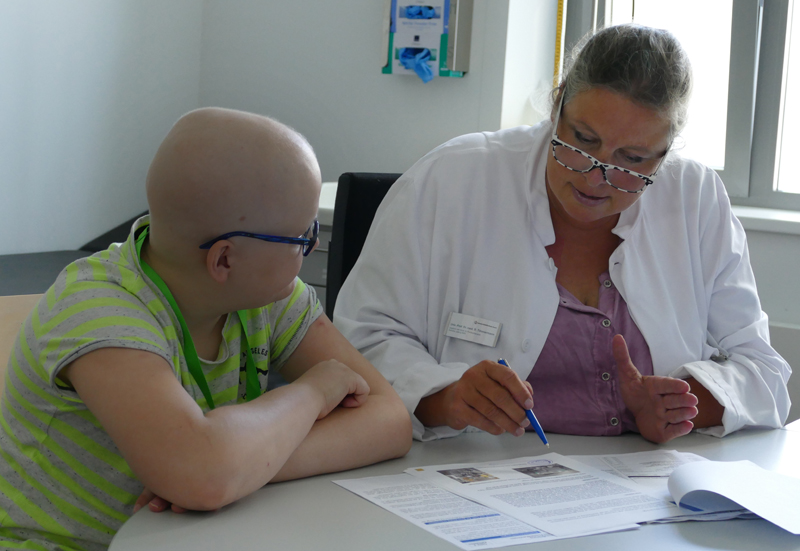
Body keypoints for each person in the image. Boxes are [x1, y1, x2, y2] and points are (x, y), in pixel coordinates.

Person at [333, 24, 791, 443]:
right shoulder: (451, 178)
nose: (596, 179)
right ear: (557, 105)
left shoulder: (695, 197)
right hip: (469, 473)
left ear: (666, 153)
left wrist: (680, 406)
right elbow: (362, 338)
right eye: (583, 141)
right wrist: (444, 396)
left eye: (632, 160)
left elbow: (763, 371)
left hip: (641, 490)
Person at [0, 108, 412, 550]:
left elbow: (390, 419)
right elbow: (202, 476)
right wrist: (312, 392)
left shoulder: (270, 296)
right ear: (225, 260)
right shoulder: (98, 308)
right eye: (302, 239)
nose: (309, 250)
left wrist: (241, 463)